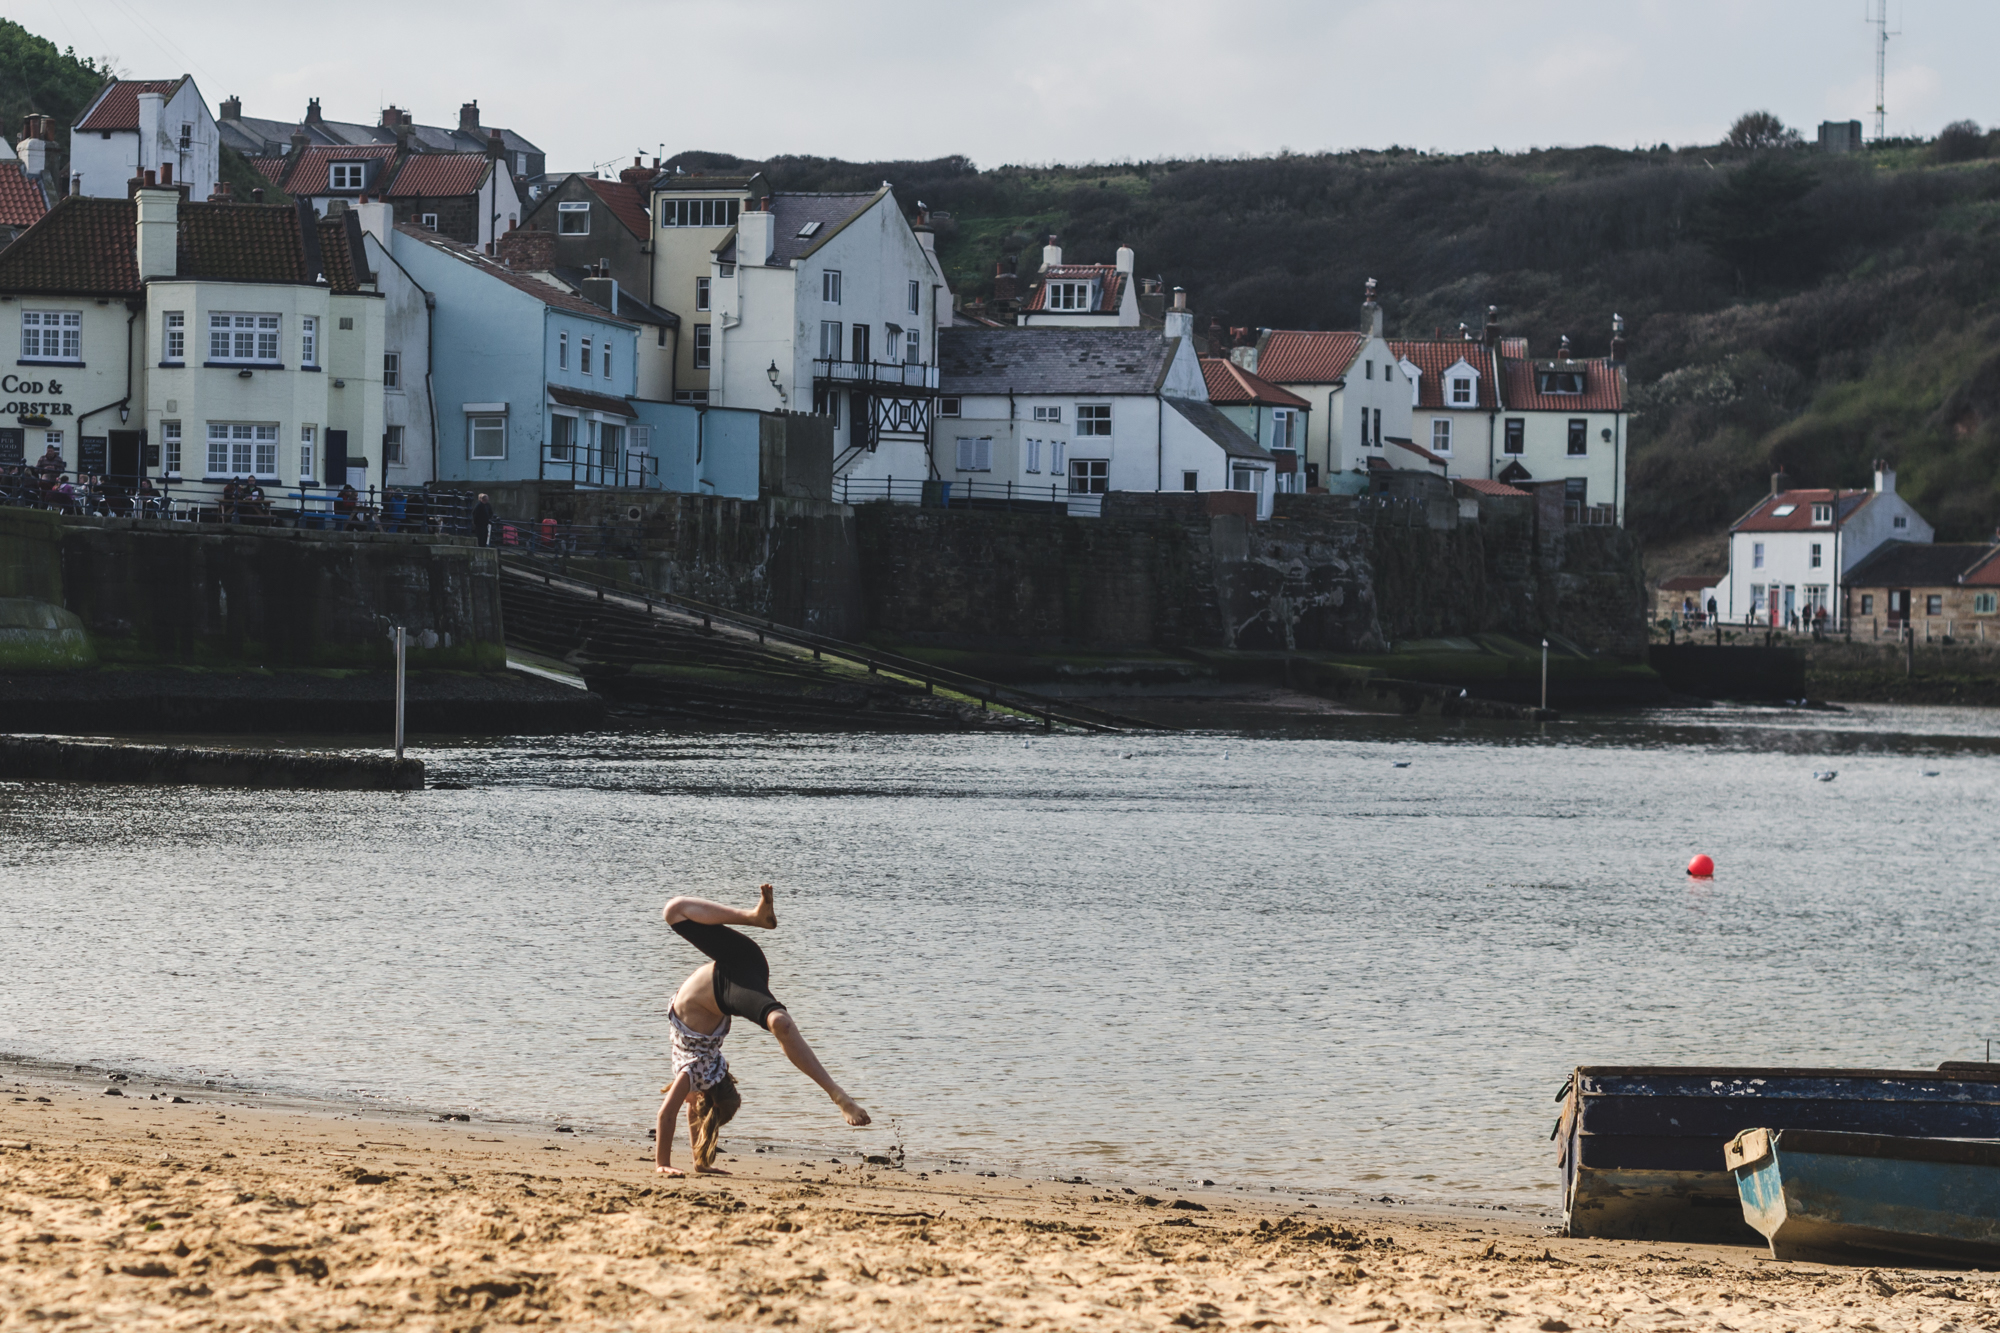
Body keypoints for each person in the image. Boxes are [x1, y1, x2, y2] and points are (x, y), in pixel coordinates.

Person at [654, 885, 869, 1177]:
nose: (687, 1106)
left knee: (674, 910)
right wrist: (693, 1163)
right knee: (780, 1023)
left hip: (735, 969)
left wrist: (666, 1164)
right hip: (736, 976)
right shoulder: (698, 1073)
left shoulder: (695, 1074)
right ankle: (838, 1095)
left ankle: (756, 917)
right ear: (704, 1094)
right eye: (696, 1107)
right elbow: (677, 1113)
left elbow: (670, 1114)